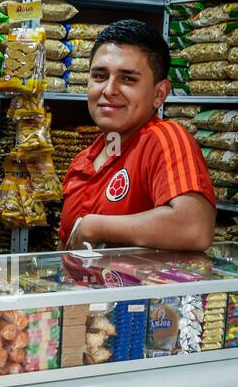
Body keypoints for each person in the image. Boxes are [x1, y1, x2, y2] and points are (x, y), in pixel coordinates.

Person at [59, 19, 215, 251]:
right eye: (100, 76)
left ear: (159, 93)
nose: (109, 90)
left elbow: (193, 228)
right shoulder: (83, 161)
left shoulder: (164, 138)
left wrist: (96, 226)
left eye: (128, 79)